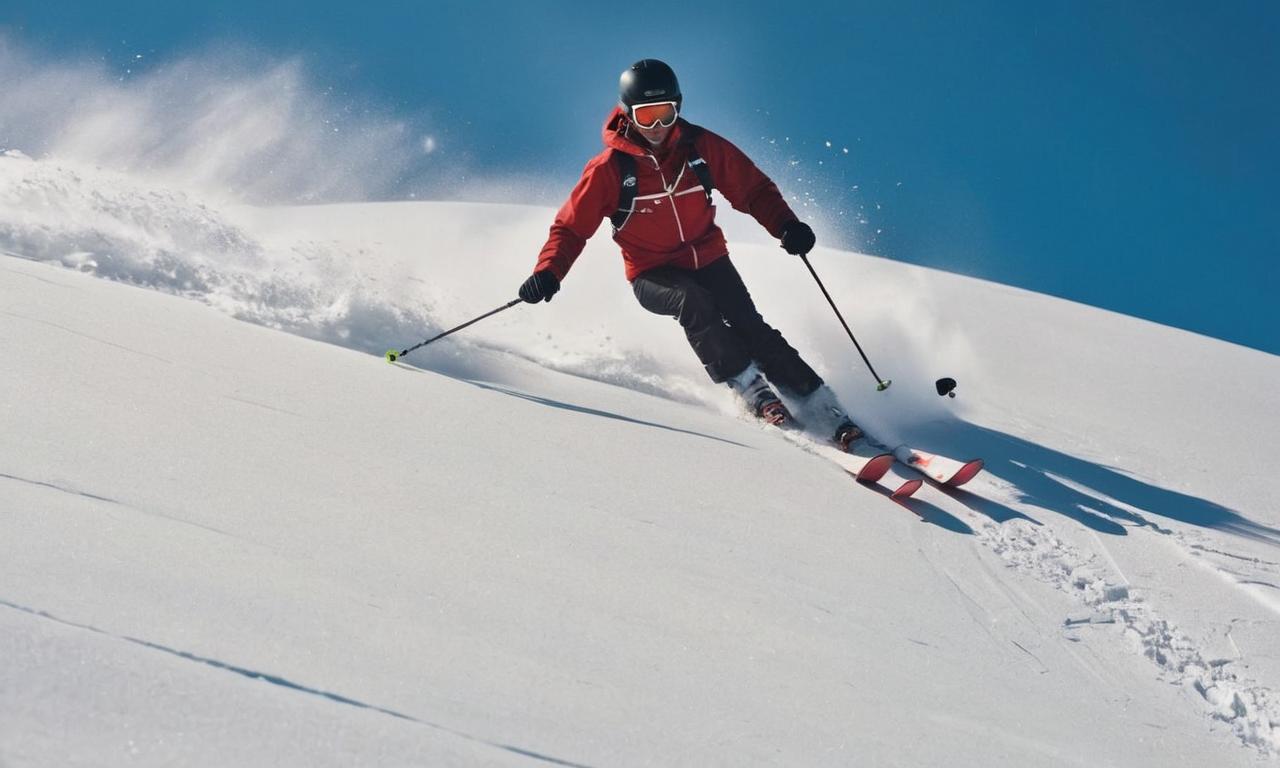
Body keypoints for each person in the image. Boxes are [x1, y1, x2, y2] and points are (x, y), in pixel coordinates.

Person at [517, 58, 864, 450]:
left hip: (709, 257)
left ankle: (820, 404)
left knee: (750, 324)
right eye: (646, 116)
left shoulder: (700, 148)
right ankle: (752, 390)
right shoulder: (610, 170)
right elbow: (571, 227)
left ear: (678, 107)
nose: (657, 127)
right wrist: (549, 271)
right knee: (693, 302)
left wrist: (786, 225)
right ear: (628, 115)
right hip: (652, 273)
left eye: (665, 113)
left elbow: (752, 190)